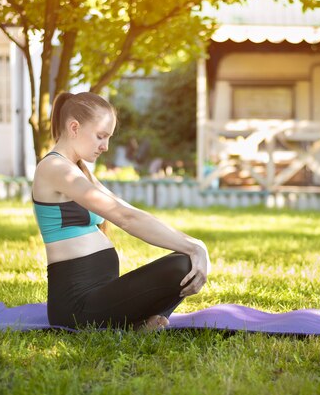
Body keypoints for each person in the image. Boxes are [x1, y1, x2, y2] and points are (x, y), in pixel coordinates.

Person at [32, 92, 210, 331]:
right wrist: (193, 247)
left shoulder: (78, 170)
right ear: (74, 127)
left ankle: (136, 323)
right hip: (76, 306)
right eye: (100, 136)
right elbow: (124, 218)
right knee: (185, 264)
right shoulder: (54, 168)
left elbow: (126, 208)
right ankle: (137, 323)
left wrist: (193, 243)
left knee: (188, 260)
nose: (105, 147)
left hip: (100, 294)